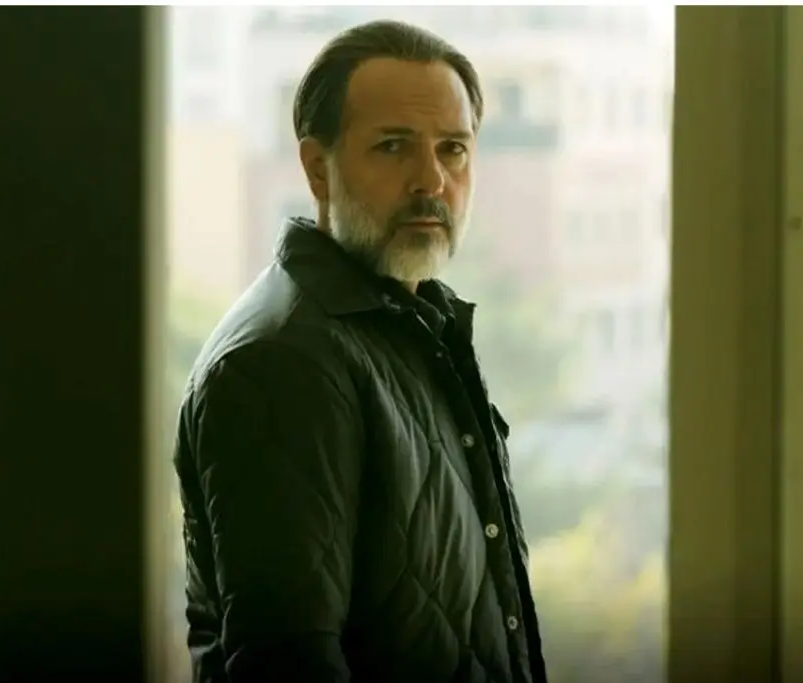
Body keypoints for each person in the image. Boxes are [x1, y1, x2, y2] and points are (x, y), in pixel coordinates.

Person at [173, 19, 548, 683]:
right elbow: (286, 662)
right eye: (393, 147)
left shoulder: (412, 328)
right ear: (318, 169)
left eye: (453, 149)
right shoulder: (281, 363)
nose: (431, 179)